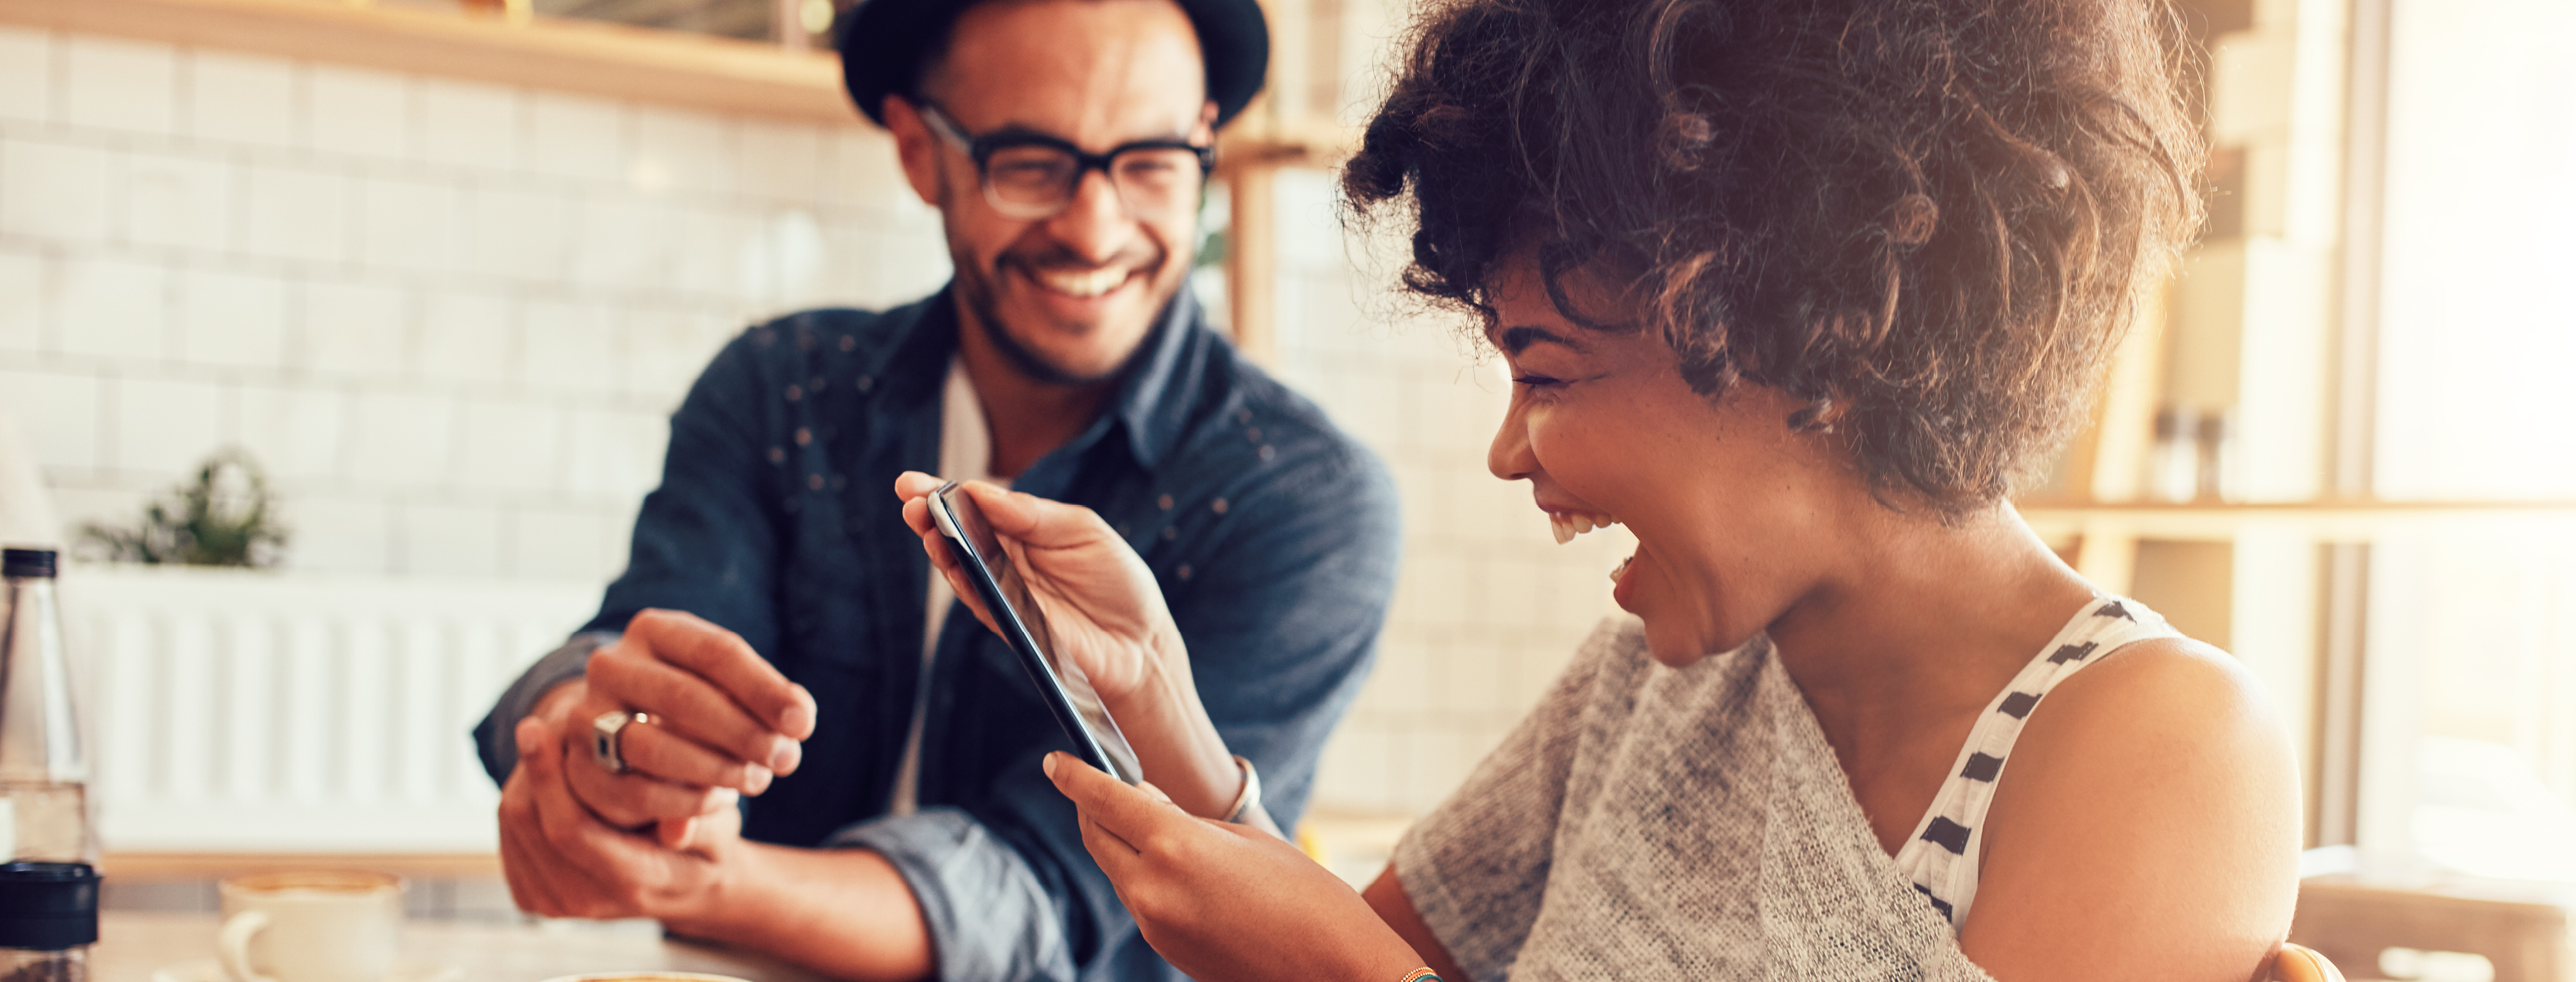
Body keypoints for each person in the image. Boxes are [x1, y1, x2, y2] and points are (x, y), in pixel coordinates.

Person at [895, 0, 2304, 979]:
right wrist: (1159, 705)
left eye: (1549, 373)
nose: (1514, 452)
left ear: (1793, 329)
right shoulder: (1658, 678)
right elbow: (1364, 946)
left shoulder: (2159, 746)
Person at [468, 0, 1401, 978]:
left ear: (1205, 141)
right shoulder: (779, 389)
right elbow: (630, 657)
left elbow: (1041, 898)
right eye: (1031, 164)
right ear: (920, 151)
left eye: (1152, 161)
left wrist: (705, 883)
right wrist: (590, 740)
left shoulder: (1303, 498)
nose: (1094, 228)